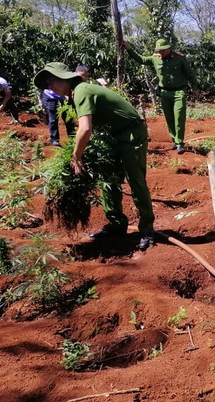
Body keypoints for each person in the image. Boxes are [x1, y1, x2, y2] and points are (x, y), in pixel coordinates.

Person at [34, 62, 156, 251]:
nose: (50, 86)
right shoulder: (73, 95)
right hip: (111, 136)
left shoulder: (82, 90)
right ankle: (116, 224)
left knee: (136, 179)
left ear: (64, 77)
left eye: (52, 80)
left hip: (130, 133)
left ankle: (147, 229)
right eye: (47, 83)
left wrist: (76, 156)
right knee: (108, 178)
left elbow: (85, 128)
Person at [123, 38, 199, 154]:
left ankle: (180, 143)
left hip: (179, 92)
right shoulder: (155, 58)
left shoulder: (180, 58)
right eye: (159, 51)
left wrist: (195, 88)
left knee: (179, 117)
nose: (161, 53)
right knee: (169, 118)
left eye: (163, 50)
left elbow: (190, 74)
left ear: (169, 48)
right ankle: (174, 140)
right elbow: (141, 59)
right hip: (164, 93)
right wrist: (129, 49)